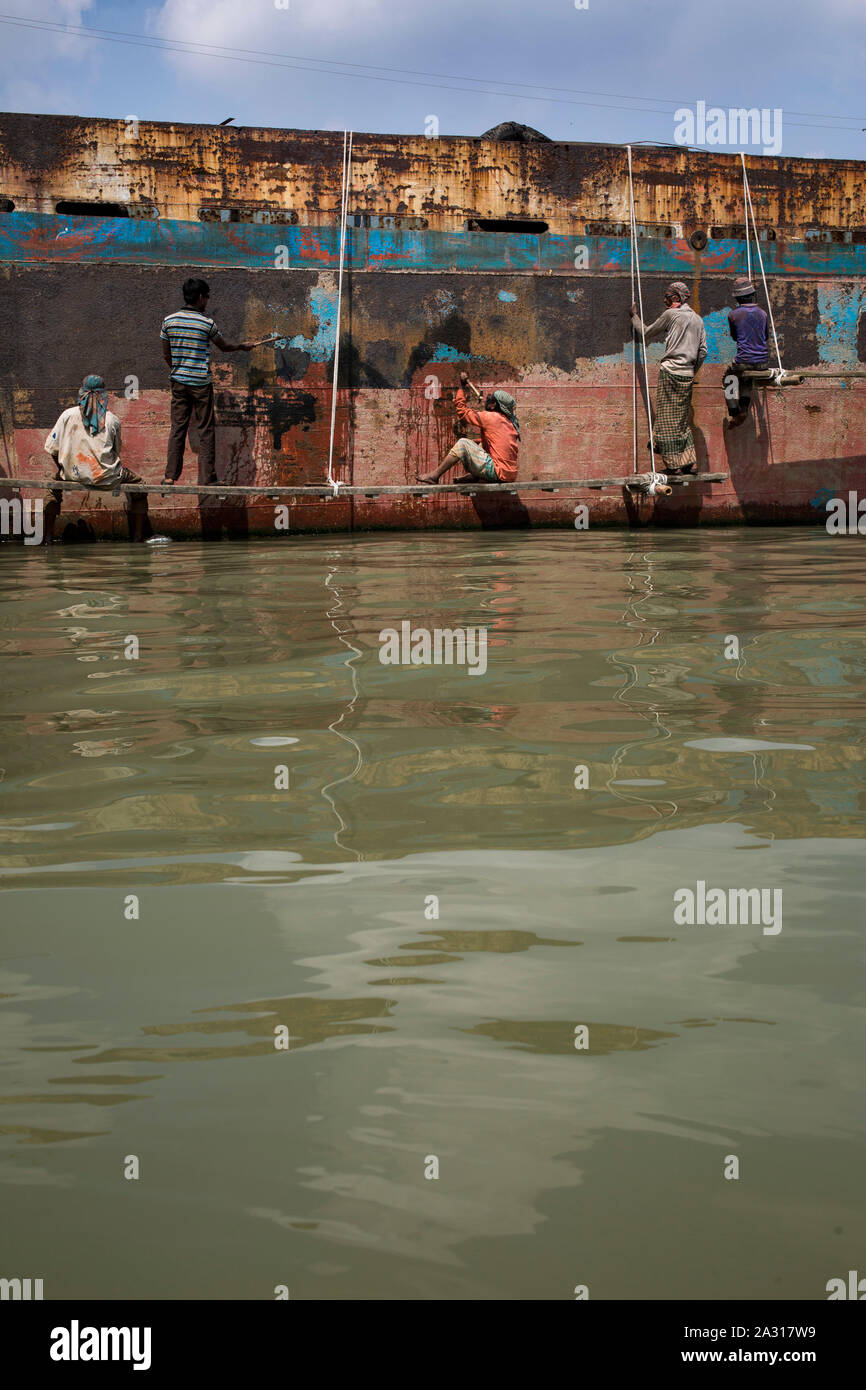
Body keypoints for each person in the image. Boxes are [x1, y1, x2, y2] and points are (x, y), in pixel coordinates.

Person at [160, 277, 254, 485]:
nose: (208, 301)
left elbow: (167, 355)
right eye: (208, 297)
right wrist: (242, 346)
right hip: (201, 383)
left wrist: (178, 371)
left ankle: (169, 476)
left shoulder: (169, 321)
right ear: (201, 297)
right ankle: (208, 479)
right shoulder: (206, 323)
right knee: (206, 430)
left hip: (178, 382)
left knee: (177, 428)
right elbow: (224, 346)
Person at [43, 375, 143, 539]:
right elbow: (115, 453)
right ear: (104, 394)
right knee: (140, 485)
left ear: (81, 393)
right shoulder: (113, 420)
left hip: (71, 474)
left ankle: (47, 538)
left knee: (51, 490)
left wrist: (65, 470)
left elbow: (52, 449)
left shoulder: (67, 415)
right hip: (107, 477)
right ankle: (138, 536)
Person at [629, 280, 707, 473]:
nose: (665, 299)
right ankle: (688, 462)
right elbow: (703, 351)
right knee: (681, 419)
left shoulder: (670, 314)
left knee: (665, 420)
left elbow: (646, 332)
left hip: (670, 372)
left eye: (668, 295)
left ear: (675, 297)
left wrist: (634, 316)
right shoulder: (698, 319)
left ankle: (672, 465)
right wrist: (691, 370)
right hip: (687, 374)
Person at [417, 373, 519, 485]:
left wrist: (462, 387)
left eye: (490, 398)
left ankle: (434, 476)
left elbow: (462, 411)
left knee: (463, 444)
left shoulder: (492, 417)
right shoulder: (508, 422)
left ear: (493, 405)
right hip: (509, 474)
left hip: (498, 472)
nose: (487, 399)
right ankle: (474, 476)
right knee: (480, 444)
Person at [723, 276, 770, 424]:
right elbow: (766, 337)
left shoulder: (733, 315)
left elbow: (735, 337)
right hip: (763, 362)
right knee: (746, 381)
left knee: (729, 377)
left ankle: (735, 412)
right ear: (752, 295)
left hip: (743, 360)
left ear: (737, 298)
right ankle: (744, 410)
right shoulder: (763, 314)